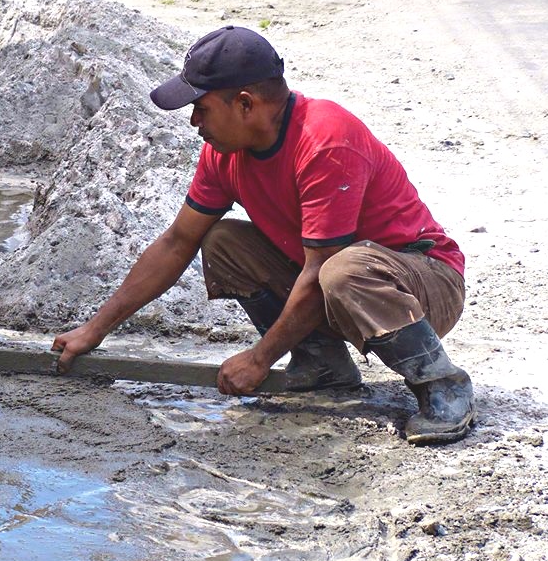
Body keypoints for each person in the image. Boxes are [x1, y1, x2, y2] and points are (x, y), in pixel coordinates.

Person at [51, 26, 476, 445]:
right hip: (339, 282)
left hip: (423, 286)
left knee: (341, 270)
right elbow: (176, 243)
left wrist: (259, 360)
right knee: (222, 241)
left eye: (201, 107)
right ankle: (323, 367)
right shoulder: (223, 154)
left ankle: (442, 384)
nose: (195, 122)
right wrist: (95, 330)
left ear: (244, 104)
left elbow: (319, 272)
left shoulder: (324, 140)